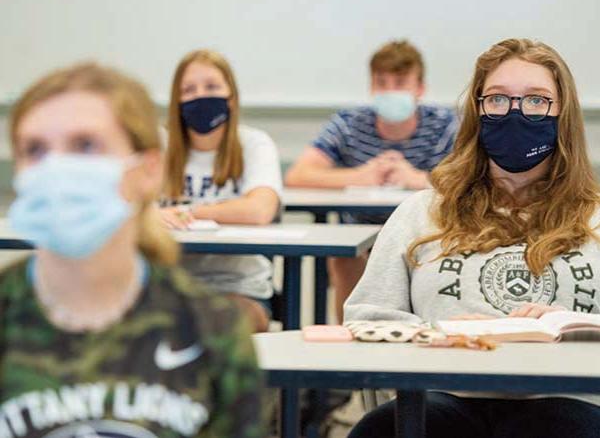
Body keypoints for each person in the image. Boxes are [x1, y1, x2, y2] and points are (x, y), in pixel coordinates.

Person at [345, 38, 600, 438]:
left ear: (562, 113)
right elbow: (366, 319)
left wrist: (569, 324)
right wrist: (437, 334)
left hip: (567, 402)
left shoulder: (596, 217)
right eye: (498, 99)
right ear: (477, 111)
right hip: (443, 396)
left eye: (536, 100)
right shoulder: (422, 211)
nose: (516, 112)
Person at [0, 63, 264, 438]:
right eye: (35, 149)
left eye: (85, 145)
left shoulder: (212, 329)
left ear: (149, 169)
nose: (57, 168)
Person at [285, 40, 458, 322]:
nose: (390, 91)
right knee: (343, 256)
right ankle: (351, 334)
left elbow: (471, 178)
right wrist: (359, 176)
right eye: (381, 82)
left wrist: (417, 178)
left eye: (400, 82)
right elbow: (298, 175)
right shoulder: (349, 123)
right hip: (361, 236)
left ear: (420, 89)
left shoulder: (445, 124)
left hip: (425, 235)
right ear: (371, 87)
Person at [160, 50, 282, 333]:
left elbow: (260, 210)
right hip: (168, 284)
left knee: (211, 322)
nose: (201, 96)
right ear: (176, 101)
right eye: (189, 90)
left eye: (212, 87)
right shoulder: (159, 145)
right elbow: (120, 204)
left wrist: (185, 211)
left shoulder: (254, 143)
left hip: (239, 287)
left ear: (232, 97)